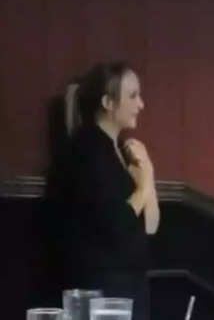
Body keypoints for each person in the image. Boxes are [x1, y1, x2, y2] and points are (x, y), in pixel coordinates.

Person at [60, 62, 160, 320]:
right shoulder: (87, 150)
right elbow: (116, 224)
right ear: (107, 102)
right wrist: (144, 186)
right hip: (102, 291)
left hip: (130, 286)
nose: (141, 104)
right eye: (133, 96)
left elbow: (150, 226)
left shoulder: (123, 151)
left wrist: (148, 173)